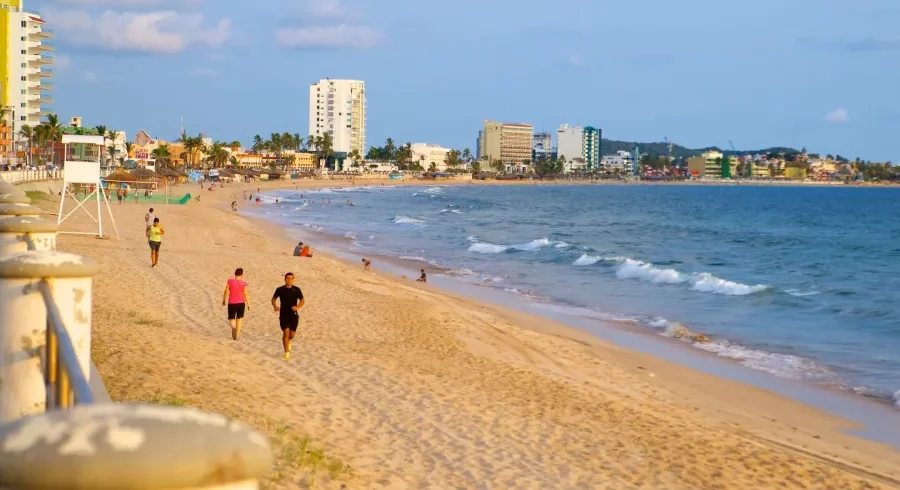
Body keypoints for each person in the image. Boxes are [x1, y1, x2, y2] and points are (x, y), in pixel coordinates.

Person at [271, 272, 304, 360]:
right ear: (285, 279)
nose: (289, 280)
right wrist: (275, 306)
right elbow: (273, 299)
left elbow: (302, 300)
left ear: (293, 280)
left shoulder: (297, 290)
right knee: (286, 332)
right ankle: (287, 353)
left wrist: (297, 307)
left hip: (293, 315)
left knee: (292, 335)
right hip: (283, 314)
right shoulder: (280, 289)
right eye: (288, 278)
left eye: (291, 278)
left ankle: (287, 341)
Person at [223, 268, 250, 340]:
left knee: (231, 318)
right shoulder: (244, 283)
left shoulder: (230, 281)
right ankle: (237, 335)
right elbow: (246, 294)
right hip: (241, 303)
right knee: (239, 319)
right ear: (242, 275)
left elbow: (226, 291)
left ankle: (233, 328)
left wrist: (224, 299)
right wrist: (248, 304)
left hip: (232, 303)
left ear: (235, 274)